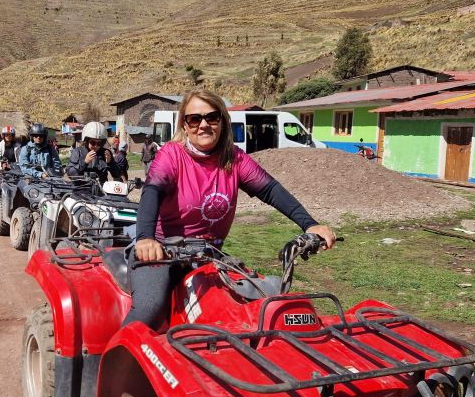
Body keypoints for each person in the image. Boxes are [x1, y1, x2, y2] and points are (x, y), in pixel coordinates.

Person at [123, 89, 336, 330]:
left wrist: (309, 223)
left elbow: (271, 190)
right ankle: (114, 363)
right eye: (195, 119)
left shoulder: (233, 158)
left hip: (208, 255)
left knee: (255, 304)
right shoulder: (172, 154)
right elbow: (152, 191)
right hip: (161, 252)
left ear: (223, 121)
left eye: (212, 117)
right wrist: (145, 240)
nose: (203, 125)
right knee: (149, 310)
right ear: (185, 124)